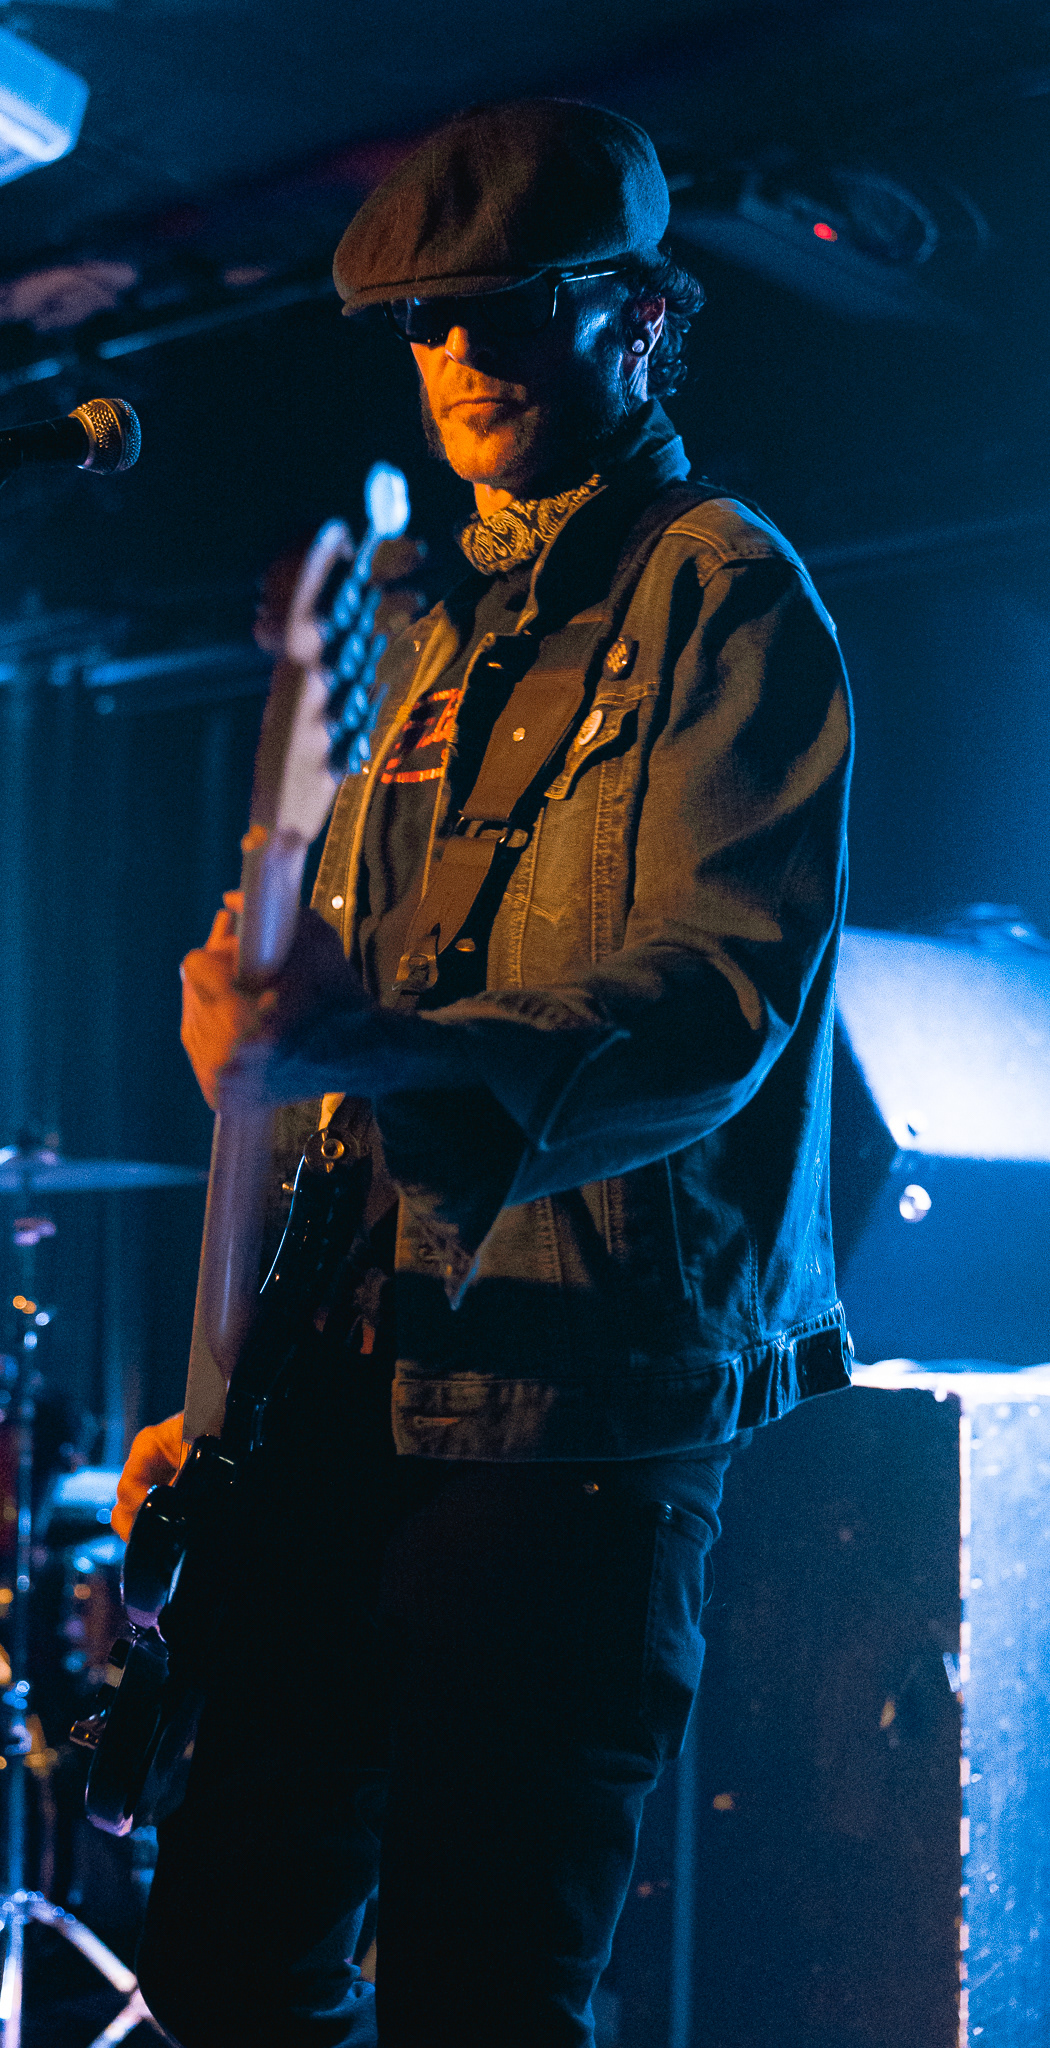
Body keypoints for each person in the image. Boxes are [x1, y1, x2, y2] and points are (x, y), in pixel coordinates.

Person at [114, 98, 853, 2048]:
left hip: (571, 1423)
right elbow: (321, 1058)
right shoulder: (433, 646)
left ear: (641, 317)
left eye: (508, 308)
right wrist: (226, 1378)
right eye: (426, 323)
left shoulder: (725, 594)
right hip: (337, 1398)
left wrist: (359, 1043)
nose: (459, 354)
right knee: (223, 1965)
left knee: (484, 1998)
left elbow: (713, 1000)